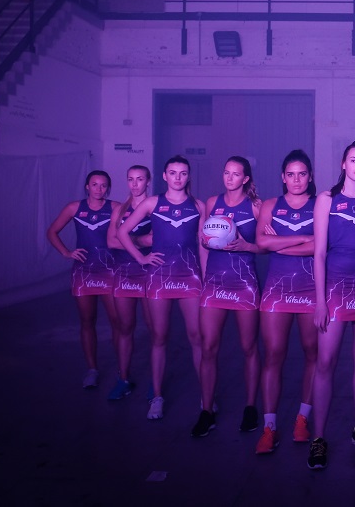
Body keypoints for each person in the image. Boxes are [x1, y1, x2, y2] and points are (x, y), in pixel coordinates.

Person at [307, 141, 355, 470]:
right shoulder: (326, 199)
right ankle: (319, 438)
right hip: (336, 288)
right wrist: (320, 300)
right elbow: (319, 252)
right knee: (325, 362)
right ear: (343, 164)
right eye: (353, 160)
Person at [117, 155, 206, 421]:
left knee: (197, 338)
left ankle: (206, 395)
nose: (178, 177)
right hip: (159, 277)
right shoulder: (151, 203)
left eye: (183, 173)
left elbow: (202, 243)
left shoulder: (198, 205)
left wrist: (206, 275)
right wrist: (141, 257)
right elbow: (123, 233)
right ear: (164, 176)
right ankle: (157, 396)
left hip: (190, 277)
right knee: (159, 337)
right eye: (172, 172)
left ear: (188, 176)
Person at [192, 156, 264, 437]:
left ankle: (250, 407)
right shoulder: (212, 203)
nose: (229, 178)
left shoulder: (257, 206)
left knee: (249, 348)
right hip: (215, 284)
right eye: (226, 173)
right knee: (209, 347)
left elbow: (266, 247)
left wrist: (248, 244)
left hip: (244, 283)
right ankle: (206, 411)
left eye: (235, 174)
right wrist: (205, 244)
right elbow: (205, 243)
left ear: (245, 178)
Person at [254, 150, 318, 453]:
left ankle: (302, 419)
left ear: (310, 176)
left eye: (302, 173)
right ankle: (269, 427)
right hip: (277, 289)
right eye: (290, 174)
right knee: (274, 355)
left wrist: (280, 243)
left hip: (310, 288)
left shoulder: (320, 206)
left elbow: (322, 246)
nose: (296, 179)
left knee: (312, 354)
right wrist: (302, 241)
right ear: (283, 177)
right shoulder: (270, 205)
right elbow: (261, 243)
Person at [47, 170, 121, 389]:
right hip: (84, 271)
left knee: (117, 322)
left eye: (103, 185)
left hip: (109, 270)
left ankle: (121, 368)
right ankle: (92, 369)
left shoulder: (116, 207)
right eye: (95, 184)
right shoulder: (74, 208)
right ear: (87, 186)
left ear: (108, 188)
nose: (99, 189)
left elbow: (133, 227)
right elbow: (52, 231)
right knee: (87, 321)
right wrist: (66, 253)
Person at [106, 165, 153, 400]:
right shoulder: (120, 209)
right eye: (130, 179)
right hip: (125, 273)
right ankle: (123, 378)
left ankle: (156, 383)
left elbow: (160, 240)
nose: (135, 184)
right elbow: (113, 242)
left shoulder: (155, 207)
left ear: (148, 181)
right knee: (125, 328)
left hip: (150, 273)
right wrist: (141, 240)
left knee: (156, 331)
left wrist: (130, 240)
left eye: (140, 179)